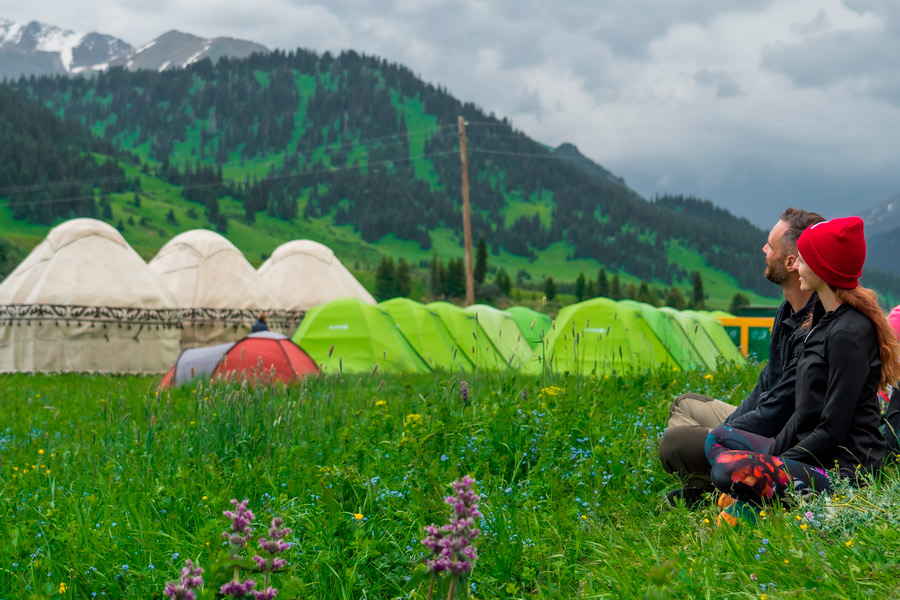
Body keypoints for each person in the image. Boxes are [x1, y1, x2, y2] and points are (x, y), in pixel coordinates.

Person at [706, 217, 900, 525]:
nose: (798, 266)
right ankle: (758, 499)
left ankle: (758, 502)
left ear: (824, 268)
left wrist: (778, 462)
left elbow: (833, 429)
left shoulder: (848, 334)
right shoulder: (822, 318)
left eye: (805, 259)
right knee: (718, 439)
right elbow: (803, 414)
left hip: (842, 469)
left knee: (729, 469)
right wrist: (774, 457)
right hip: (809, 452)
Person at [659, 208, 825, 507]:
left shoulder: (815, 326)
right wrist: (728, 429)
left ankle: (721, 488)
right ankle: (717, 483)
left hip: (779, 438)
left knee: (674, 444)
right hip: (758, 425)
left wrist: (724, 435)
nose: (764, 249)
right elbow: (766, 385)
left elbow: (779, 411)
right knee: (685, 404)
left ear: (791, 262)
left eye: (770, 246)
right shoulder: (787, 311)